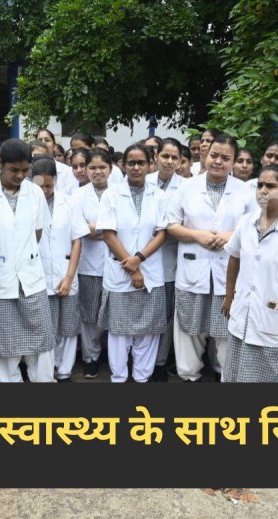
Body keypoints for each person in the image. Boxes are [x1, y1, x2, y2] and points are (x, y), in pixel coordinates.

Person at [168, 134, 258, 382]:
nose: (218, 161)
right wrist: (197, 235)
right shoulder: (186, 187)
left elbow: (257, 225)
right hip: (192, 267)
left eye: (225, 158)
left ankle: (225, 374)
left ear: (233, 161)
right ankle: (189, 375)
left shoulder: (245, 191)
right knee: (189, 328)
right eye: (214, 155)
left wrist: (231, 234)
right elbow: (170, 225)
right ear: (205, 155)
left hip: (227, 271)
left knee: (226, 327)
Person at [0, 139, 54, 383]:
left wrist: (21, 253)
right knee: (3, 351)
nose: (20, 175)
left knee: (41, 347)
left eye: (25, 170)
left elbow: (37, 232)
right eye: (14, 170)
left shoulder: (35, 192)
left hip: (30, 280)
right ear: (0, 164)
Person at [222, 165, 278, 383]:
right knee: (235, 373)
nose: (262, 190)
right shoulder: (246, 222)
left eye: (270, 186)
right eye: (259, 185)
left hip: (273, 317)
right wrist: (229, 296)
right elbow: (234, 258)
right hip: (242, 312)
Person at [97, 144, 168, 383]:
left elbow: (161, 233)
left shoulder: (159, 195)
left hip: (149, 271)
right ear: (123, 165)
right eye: (131, 163)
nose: (136, 168)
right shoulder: (111, 194)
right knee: (118, 333)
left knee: (148, 333)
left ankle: (142, 379)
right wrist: (132, 266)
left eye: (141, 163)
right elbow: (108, 233)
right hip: (121, 272)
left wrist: (138, 260)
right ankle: (118, 378)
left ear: (150, 165)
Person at [33, 156, 88, 381]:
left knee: (68, 326)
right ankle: (46, 373)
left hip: (67, 273)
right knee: (46, 327)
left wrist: (68, 276)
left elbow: (77, 240)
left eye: (48, 185)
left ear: (55, 180)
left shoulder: (70, 202)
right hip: (39, 275)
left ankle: (64, 371)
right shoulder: (26, 204)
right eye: (39, 186)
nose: (45, 190)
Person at [145, 139, 184, 381]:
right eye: (165, 156)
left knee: (167, 315)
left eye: (174, 157)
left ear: (180, 161)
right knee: (146, 313)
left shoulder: (186, 187)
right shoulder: (143, 181)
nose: (169, 161)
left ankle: (159, 362)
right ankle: (143, 362)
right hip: (144, 257)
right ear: (157, 156)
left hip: (170, 259)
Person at [72, 148, 112, 378]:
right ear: (85, 170)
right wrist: (105, 229)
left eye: (102, 167)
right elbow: (78, 229)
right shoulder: (77, 196)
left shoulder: (119, 193)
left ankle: (111, 355)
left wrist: (94, 227)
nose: (97, 172)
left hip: (115, 264)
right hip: (87, 265)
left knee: (113, 313)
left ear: (111, 169)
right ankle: (91, 358)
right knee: (89, 315)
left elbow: (121, 227)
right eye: (92, 168)